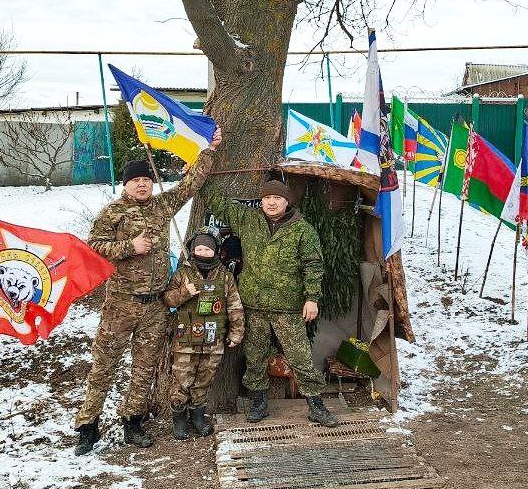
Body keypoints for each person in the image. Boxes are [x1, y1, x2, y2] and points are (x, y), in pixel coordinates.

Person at [73, 127, 222, 455]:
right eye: (135, 180)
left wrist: (208, 150)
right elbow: (93, 246)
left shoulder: (161, 205)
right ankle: (88, 426)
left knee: (144, 367)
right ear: (125, 184)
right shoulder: (113, 212)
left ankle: (133, 422)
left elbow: (190, 185)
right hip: (121, 304)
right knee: (104, 365)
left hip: (155, 305)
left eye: (146, 179)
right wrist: (130, 246)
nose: (142, 184)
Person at [201, 175, 339, 427]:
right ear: (261, 202)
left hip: (288, 307)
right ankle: (258, 402)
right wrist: (198, 172)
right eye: (267, 198)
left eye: (277, 198)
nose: (271, 203)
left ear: (286, 202)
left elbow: (313, 266)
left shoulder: (302, 230)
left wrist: (312, 298)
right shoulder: (249, 220)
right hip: (253, 305)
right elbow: (217, 202)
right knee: (254, 357)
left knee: (300, 357)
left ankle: (316, 406)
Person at [163, 230, 245, 439]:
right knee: (181, 380)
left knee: (204, 380)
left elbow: (234, 306)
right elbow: (168, 300)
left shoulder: (225, 276)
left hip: (213, 340)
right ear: (192, 250)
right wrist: (185, 292)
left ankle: (198, 416)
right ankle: (179, 418)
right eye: (198, 248)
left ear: (215, 251)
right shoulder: (183, 274)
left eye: (207, 248)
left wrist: (236, 333)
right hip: (185, 341)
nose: (202, 252)